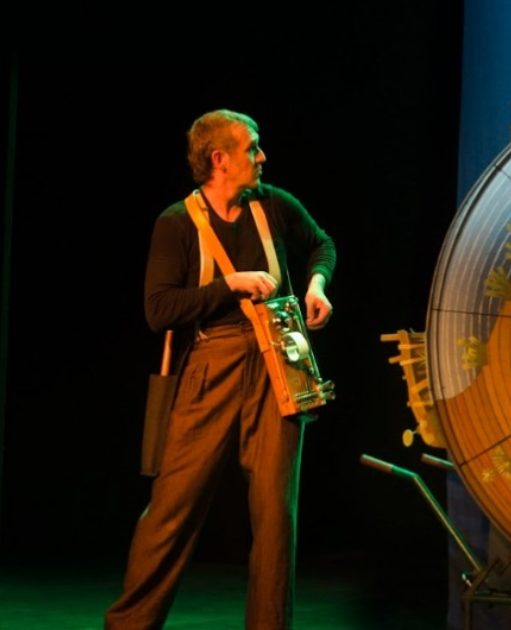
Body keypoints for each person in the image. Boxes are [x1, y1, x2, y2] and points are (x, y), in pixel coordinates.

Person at [104, 108, 336, 630]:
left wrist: (317, 284)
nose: (262, 156)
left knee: (277, 516)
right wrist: (227, 287)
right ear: (219, 159)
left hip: (280, 362)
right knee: (172, 509)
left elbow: (322, 243)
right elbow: (158, 309)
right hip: (212, 365)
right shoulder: (177, 222)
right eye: (252, 147)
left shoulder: (273, 205)